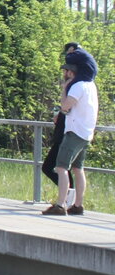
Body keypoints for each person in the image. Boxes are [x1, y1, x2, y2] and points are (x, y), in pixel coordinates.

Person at [43, 50, 99, 216]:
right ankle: (78, 205)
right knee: (77, 168)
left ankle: (60, 205)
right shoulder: (90, 85)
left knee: (61, 167)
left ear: (74, 72)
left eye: (68, 71)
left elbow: (65, 107)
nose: (65, 74)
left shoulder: (77, 86)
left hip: (74, 132)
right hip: (86, 133)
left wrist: (65, 89)